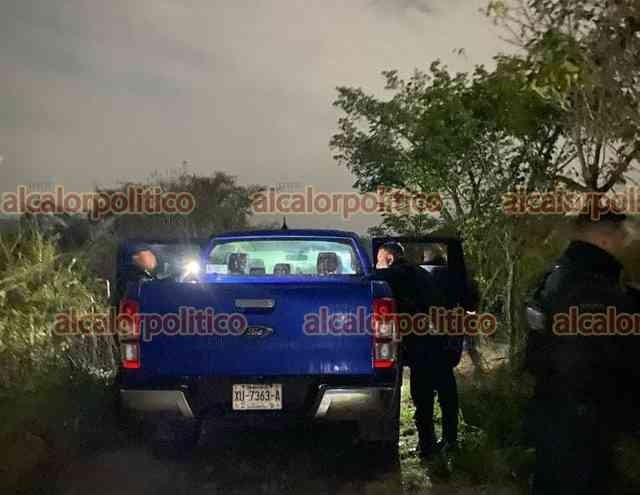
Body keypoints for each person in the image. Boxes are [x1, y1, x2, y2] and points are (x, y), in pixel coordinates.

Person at [524, 211, 636, 494]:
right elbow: (593, 368)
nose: (626, 240)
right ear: (603, 238)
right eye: (620, 233)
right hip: (581, 432)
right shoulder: (591, 291)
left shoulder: (556, 277)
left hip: (556, 420)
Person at [373, 241, 457, 458]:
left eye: (378, 261)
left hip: (423, 344)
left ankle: (427, 447)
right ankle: (450, 441)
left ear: (389, 259)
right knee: (446, 392)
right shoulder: (419, 272)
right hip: (440, 338)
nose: (377, 265)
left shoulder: (394, 274)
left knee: (423, 396)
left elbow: (367, 281)